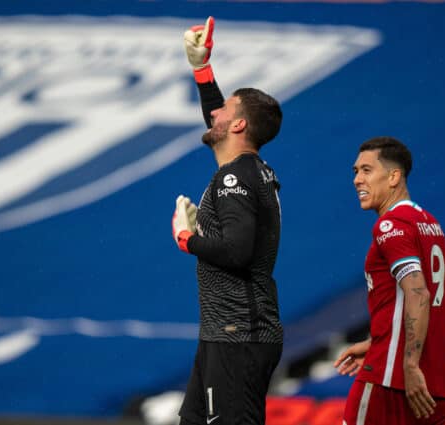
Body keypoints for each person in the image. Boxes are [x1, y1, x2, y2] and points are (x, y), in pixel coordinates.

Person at [171, 17, 284, 425]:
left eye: (225, 109)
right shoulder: (246, 170)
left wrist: (188, 239)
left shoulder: (235, 177)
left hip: (241, 333)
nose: (213, 112)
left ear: (238, 125)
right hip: (226, 332)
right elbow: (216, 123)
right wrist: (202, 70)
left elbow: (237, 251)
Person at [334, 137, 445, 424]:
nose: (357, 180)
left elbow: (418, 293)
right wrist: (376, 341)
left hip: (394, 380)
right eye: (355, 172)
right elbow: (411, 299)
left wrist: (410, 364)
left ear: (393, 176)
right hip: (439, 383)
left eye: (366, 170)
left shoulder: (390, 225)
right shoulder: (429, 223)